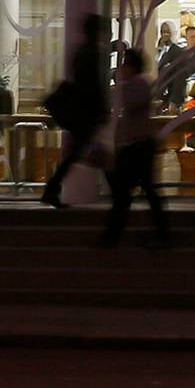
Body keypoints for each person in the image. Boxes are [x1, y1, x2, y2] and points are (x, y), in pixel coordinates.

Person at [97, 46, 170, 248]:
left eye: (124, 64)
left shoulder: (135, 85)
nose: (121, 68)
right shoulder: (140, 84)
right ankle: (161, 234)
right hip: (139, 144)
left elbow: (127, 106)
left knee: (126, 193)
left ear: (131, 66)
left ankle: (112, 237)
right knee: (144, 190)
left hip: (137, 146)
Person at [40, 13, 110, 209]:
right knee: (83, 152)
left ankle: (51, 189)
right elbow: (93, 84)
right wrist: (102, 107)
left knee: (78, 152)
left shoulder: (81, 51)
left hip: (81, 111)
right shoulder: (93, 52)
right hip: (87, 111)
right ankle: (119, 192)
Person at [155, 21, 194, 109]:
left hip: (171, 98)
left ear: (173, 33)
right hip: (160, 98)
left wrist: (174, 101)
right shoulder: (160, 52)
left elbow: (180, 78)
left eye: (167, 32)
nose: (165, 35)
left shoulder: (178, 52)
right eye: (162, 32)